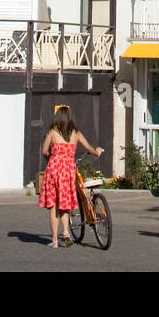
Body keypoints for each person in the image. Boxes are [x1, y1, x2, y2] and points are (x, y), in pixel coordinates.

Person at [37, 104, 103, 249]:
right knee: (65, 203)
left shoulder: (52, 132)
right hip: (68, 169)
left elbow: (44, 151)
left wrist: (53, 156)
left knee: (54, 205)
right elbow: (89, 148)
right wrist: (96, 151)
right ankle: (66, 232)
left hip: (54, 169)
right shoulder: (76, 134)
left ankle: (54, 241)